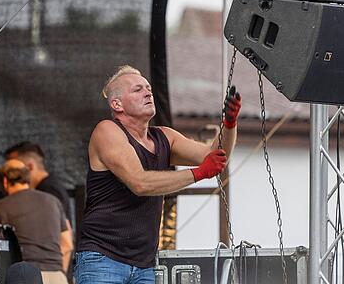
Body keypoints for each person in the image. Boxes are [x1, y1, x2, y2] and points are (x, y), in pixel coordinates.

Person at [74, 65, 241, 284]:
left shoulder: (164, 136)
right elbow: (140, 182)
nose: (147, 92)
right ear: (117, 104)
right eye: (137, 89)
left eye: (148, 88)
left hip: (144, 264)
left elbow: (215, 156)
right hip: (103, 259)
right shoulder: (107, 131)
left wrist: (229, 124)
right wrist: (199, 173)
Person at [0, 160, 72, 284]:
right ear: (28, 178)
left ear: (5, 181)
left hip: (24, 277)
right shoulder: (53, 201)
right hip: (57, 276)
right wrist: (58, 274)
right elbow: (67, 244)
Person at [3, 142, 71, 222]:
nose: (9, 175)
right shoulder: (44, 189)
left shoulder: (50, 191)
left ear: (30, 167)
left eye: (14, 169)